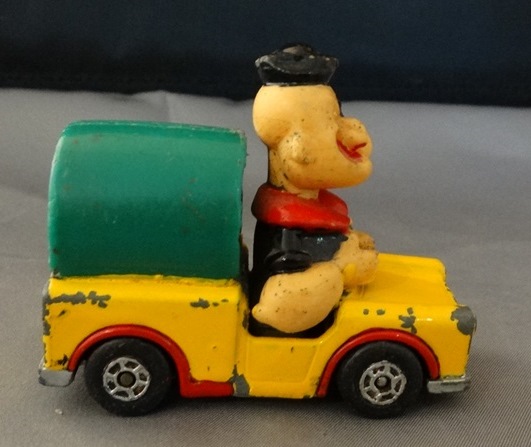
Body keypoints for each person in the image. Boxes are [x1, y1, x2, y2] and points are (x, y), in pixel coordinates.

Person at [250, 44, 378, 335]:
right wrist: (343, 263)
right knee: (324, 279)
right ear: (296, 150)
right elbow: (291, 259)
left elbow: (318, 237)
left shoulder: (311, 208)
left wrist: (347, 240)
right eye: (330, 121)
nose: (351, 129)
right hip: (280, 301)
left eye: (339, 114)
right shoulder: (284, 221)